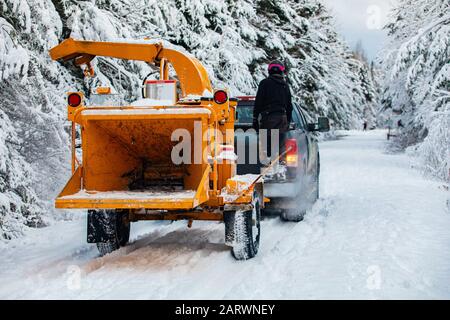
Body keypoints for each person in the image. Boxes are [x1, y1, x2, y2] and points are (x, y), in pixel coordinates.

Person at [253, 60, 293, 158]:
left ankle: (268, 163)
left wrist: (255, 118)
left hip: (268, 119)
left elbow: (258, 102)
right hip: (282, 119)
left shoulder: (264, 83)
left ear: (269, 70)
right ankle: (280, 163)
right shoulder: (285, 86)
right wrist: (288, 121)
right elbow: (289, 106)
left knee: (267, 145)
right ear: (282, 71)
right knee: (280, 144)